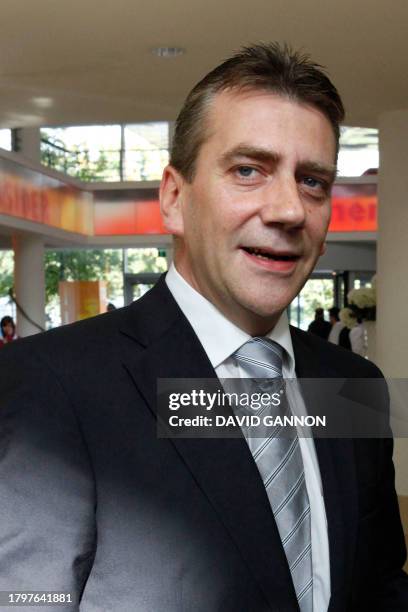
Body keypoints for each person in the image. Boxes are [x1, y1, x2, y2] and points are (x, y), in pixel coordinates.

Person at [0, 43, 407, 612]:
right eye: (249, 170)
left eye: (312, 180)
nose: (289, 209)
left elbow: (381, 586)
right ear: (173, 198)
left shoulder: (352, 386)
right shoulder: (52, 386)